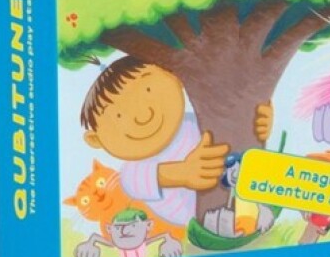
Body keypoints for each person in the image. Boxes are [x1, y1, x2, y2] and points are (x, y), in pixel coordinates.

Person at [80, 56, 272, 230]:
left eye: (149, 90)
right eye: (118, 116)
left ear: (176, 78)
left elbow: (234, 135)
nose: (143, 115)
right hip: (197, 218)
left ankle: (252, 213)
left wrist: (257, 126)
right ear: (95, 140)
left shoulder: (196, 122)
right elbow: (138, 182)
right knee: (220, 221)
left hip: (232, 189)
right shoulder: (134, 169)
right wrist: (183, 173)